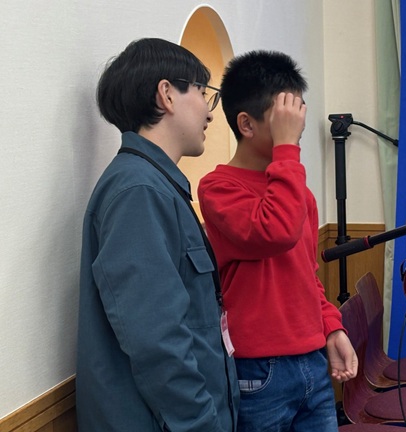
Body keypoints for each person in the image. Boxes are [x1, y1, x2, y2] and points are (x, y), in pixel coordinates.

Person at [76, 38, 239, 432]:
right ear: (166, 94)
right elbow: (157, 340)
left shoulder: (153, 184)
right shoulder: (139, 191)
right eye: (202, 92)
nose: (210, 112)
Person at [197, 50, 358, 432]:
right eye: (284, 115)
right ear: (246, 124)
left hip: (313, 360)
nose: (296, 125)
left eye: (297, 111)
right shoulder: (218, 188)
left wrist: (331, 327)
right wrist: (287, 150)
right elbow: (275, 232)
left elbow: (306, 275)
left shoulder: (297, 191)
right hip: (258, 371)